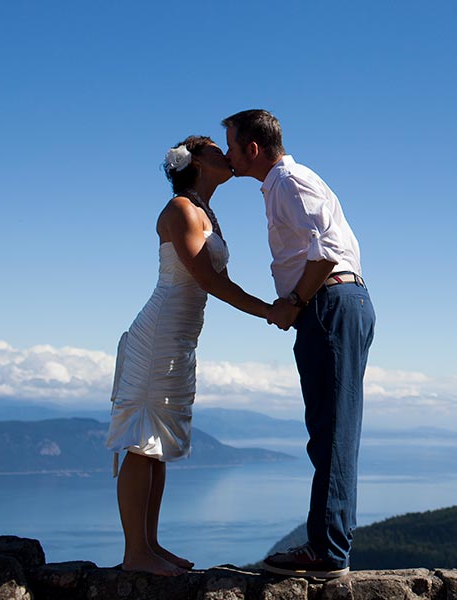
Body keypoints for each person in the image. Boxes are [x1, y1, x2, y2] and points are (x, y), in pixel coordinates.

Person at [105, 135, 276, 576]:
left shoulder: (205, 211)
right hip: (159, 334)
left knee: (156, 445)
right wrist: (270, 312)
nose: (228, 155)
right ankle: (135, 554)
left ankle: (150, 546)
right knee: (142, 441)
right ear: (198, 161)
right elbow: (210, 281)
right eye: (218, 150)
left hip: (180, 338)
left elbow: (218, 279)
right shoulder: (181, 209)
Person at [221, 109, 375, 579]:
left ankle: (327, 553)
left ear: (252, 149)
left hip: (327, 303)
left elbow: (325, 250)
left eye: (231, 145)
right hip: (331, 304)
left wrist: (292, 301)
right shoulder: (282, 185)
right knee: (330, 427)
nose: (227, 155)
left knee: (332, 430)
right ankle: (327, 546)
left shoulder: (289, 181)